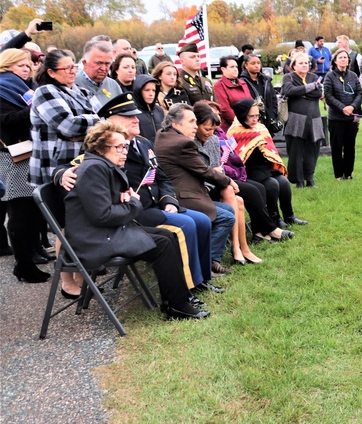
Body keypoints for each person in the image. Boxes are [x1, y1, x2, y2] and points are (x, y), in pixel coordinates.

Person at [55, 91, 220, 296]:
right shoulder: (105, 148)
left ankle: (202, 278)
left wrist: (169, 201)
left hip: (155, 204)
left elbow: (161, 177)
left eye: (135, 115)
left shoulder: (143, 143)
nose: (136, 119)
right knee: (185, 225)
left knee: (202, 221)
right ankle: (189, 284)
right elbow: (75, 166)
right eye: (128, 117)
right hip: (135, 212)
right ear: (111, 120)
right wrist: (61, 174)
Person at [66, 121, 208, 319]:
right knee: (162, 243)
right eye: (119, 147)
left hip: (109, 231)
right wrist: (132, 203)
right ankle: (177, 304)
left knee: (167, 236)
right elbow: (102, 215)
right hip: (95, 239)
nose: (124, 151)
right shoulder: (93, 169)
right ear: (100, 148)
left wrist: (126, 203)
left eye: (125, 146)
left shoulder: (103, 165)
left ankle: (177, 299)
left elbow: (107, 208)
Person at [29, 49, 102, 298]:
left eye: (74, 67)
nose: (73, 71)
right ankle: (67, 281)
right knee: (66, 226)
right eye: (67, 68)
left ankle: (82, 277)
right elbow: (68, 125)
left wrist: (88, 124)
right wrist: (95, 122)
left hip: (81, 166)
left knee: (80, 224)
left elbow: (92, 123)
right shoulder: (45, 92)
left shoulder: (78, 91)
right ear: (50, 72)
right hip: (54, 170)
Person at [154, 103, 236, 277]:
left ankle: (212, 260)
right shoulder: (182, 143)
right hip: (182, 197)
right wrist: (228, 180)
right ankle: (207, 263)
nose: (195, 125)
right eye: (191, 121)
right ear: (176, 124)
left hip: (180, 193)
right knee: (227, 217)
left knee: (228, 209)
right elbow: (204, 170)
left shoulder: (163, 135)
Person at [0, 48, 50, 283]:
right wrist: (34, 109)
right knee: (19, 213)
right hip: (13, 157)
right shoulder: (2, 87)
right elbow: (6, 121)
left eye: (28, 65)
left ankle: (33, 252)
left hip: (30, 152)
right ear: (7, 65)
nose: (26, 68)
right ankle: (23, 266)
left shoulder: (23, 86)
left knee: (32, 210)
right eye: (20, 65)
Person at [192, 103, 263, 266]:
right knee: (235, 196)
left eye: (213, 130)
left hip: (215, 186)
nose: (210, 134)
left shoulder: (214, 140)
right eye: (206, 129)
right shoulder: (190, 143)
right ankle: (239, 249)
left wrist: (218, 173)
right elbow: (198, 173)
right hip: (201, 191)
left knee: (238, 200)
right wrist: (216, 173)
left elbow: (219, 170)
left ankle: (241, 248)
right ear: (196, 124)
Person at [228, 100, 307, 227]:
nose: (255, 119)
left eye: (257, 116)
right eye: (251, 116)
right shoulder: (235, 132)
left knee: (284, 182)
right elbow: (237, 159)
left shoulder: (260, 127)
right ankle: (274, 217)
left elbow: (270, 150)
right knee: (272, 184)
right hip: (249, 171)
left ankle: (289, 216)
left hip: (265, 167)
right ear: (242, 115)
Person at [280, 52, 324, 187]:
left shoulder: (314, 76)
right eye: (301, 63)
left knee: (313, 150)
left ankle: (309, 178)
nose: (304, 65)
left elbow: (318, 93)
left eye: (306, 63)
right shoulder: (289, 77)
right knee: (296, 151)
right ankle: (299, 180)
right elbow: (288, 91)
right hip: (296, 119)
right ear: (294, 65)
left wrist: (302, 92)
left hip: (314, 119)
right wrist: (310, 88)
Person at [323, 49, 362, 179]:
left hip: (352, 118)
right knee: (337, 147)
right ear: (335, 60)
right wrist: (342, 108)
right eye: (340, 57)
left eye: (345, 57)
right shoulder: (330, 76)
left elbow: (359, 93)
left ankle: (349, 173)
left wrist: (352, 107)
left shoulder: (353, 76)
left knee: (350, 146)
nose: (343, 60)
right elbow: (328, 96)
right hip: (336, 118)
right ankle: (339, 175)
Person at [240, 54, 280, 133]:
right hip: (253, 122)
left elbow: (273, 98)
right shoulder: (242, 82)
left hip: (268, 120)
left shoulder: (265, 80)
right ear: (246, 65)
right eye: (253, 63)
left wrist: (272, 114)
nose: (256, 66)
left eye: (258, 63)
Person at [213, 56, 253, 132]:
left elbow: (251, 103)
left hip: (249, 124)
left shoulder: (243, 83)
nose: (235, 69)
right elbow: (225, 109)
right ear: (223, 69)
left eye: (236, 67)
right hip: (231, 128)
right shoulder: (219, 85)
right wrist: (241, 123)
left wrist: (253, 119)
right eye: (232, 67)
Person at [132, 73, 164, 141]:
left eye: (154, 90)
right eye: (147, 90)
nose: (151, 94)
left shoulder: (159, 110)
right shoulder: (132, 112)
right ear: (139, 91)